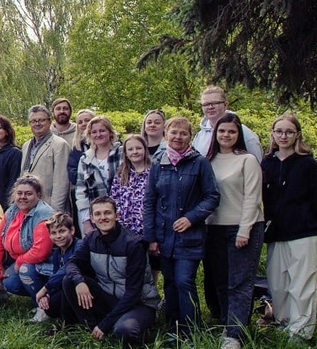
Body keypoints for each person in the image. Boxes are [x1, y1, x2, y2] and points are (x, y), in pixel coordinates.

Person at [143, 116, 220, 338]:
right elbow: (150, 201)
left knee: (184, 281)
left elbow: (212, 196)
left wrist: (192, 218)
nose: (178, 137)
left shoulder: (199, 163)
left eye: (183, 133)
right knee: (169, 282)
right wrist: (152, 237)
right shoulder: (159, 163)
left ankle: (191, 330)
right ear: (166, 134)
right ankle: (172, 328)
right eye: (174, 132)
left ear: (190, 136)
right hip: (164, 236)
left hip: (190, 236)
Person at [261, 112, 317, 342]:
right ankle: (285, 323)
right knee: (278, 284)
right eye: (279, 131)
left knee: (301, 284)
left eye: (289, 132)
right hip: (277, 233)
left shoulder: (307, 164)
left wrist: (315, 226)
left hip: (304, 233)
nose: (283, 135)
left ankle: (301, 332)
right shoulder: (267, 163)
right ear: (273, 134)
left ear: (297, 135)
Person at [204, 113, 264, 349]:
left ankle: (234, 335)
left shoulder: (247, 160)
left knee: (238, 282)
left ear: (238, 135)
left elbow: (253, 198)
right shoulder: (207, 160)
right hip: (213, 228)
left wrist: (244, 229)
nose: (226, 135)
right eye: (222, 131)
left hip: (243, 227)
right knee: (218, 280)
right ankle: (225, 321)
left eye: (231, 131)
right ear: (215, 134)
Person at [63, 197, 159, 345]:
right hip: (108, 297)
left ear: (117, 215)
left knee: (125, 331)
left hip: (138, 303)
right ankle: (92, 328)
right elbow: (72, 262)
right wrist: (79, 281)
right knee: (69, 280)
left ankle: (133, 327)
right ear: (92, 218)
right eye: (98, 214)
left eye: (107, 213)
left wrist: (105, 324)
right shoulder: (91, 238)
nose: (103, 218)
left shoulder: (133, 244)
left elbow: (133, 293)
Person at [0, 175, 55, 301]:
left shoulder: (44, 214)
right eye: (19, 193)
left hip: (45, 265)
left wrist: (19, 262)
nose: (23, 197)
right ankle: (39, 298)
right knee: (9, 282)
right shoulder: (12, 211)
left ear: (38, 195)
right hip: (20, 261)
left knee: (25, 270)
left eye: (28, 194)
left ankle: (44, 306)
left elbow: (40, 252)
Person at [109, 135, 157, 282]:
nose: (135, 152)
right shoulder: (122, 173)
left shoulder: (154, 172)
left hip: (146, 228)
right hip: (126, 230)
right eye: (130, 149)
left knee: (150, 268)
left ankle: (151, 297)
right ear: (126, 153)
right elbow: (114, 199)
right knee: (131, 267)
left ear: (145, 150)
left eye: (138, 148)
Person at [74, 116, 122, 235]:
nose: (98, 134)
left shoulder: (121, 153)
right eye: (94, 132)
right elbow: (81, 193)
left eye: (102, 131)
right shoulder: (85, 159)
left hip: (121, 215)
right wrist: (86, 222)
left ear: (110, 132)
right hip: (96, 217)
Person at [20, 105, 71, 215]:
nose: (37, 123)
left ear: (49, 121)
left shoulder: (59, 145)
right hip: (29, 206)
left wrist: (55, 213)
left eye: (41, 120)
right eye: (33, 121)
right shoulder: (26, 146)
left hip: (49, 207)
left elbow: (61, 183)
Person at [192, 86, 262, 162]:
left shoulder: (244, 133)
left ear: (226, 105)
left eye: (215, 103)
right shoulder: (199, 137)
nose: (210, 107)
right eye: (206, 104)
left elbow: (257, 164)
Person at [32, 212, 77, 323]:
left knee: (66, 283)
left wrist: (45, 289)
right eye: (53, 233)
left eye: (62, 231)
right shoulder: (57, 253)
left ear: (72, 230)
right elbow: (55, 274)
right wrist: (47, 295)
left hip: (81, 288)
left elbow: (66, 269)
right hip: (65, 289)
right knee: (50, 305)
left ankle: (67, 323)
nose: (58, 236)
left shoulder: (79, 246)